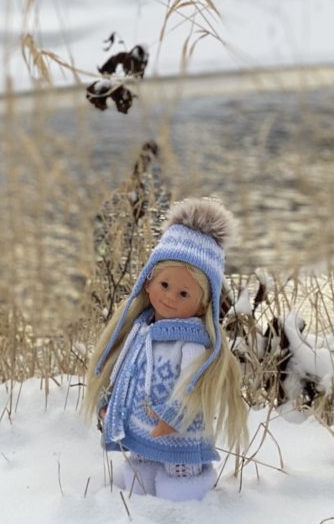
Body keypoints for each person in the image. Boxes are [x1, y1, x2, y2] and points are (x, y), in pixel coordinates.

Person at [83, 196, 248, 501]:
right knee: (141, 464)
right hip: (142, 428)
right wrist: (109, 401)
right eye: (164, 285)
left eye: (184, 293)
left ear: (204, 303)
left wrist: (174, 417)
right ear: (148, 283)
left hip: (179, 432)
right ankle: (137, 502)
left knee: (180, 472)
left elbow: (192, 383)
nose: (170, 297)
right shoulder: (140, 332)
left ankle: (182, 511)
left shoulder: (192, 343)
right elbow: (123, 372)